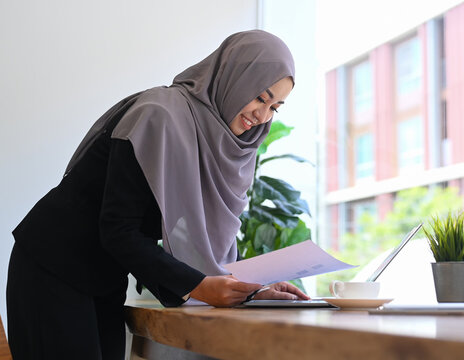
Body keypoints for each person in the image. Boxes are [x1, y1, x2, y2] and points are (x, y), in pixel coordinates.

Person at [6, 29, 309, 360]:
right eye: (260, 98)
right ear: (234, 77)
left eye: (275, 107)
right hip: (54, 265)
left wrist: (252, 290)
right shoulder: (159, 114)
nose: (262, 116)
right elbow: (119, 229)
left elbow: (199, 243)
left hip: (103, 278)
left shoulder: (219, 145)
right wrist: (199, 286)